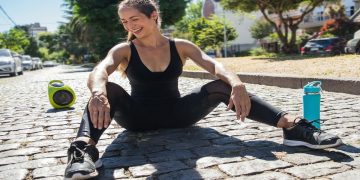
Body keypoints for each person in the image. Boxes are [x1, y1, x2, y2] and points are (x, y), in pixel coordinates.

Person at [64, 0, 343, 179]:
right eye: (124, 21)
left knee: (220, 86)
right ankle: (83, 151)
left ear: (153, 16)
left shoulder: (181, 46)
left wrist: (236, 83)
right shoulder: (124, 49)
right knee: (107, 89)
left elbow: (213, 64)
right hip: (136, 118)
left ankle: (292, 127)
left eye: (134, 18)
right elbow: (100, 69)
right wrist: (98, 91)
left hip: (179, 114)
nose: (130, 25)